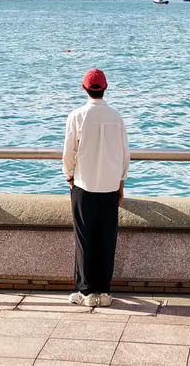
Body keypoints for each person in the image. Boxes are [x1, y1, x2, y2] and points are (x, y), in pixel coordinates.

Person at [62, 68, 130, 307]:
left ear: (84, 88)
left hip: (83, 185)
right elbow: (124, 155)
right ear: (105, 88)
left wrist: (69, 176)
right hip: (110, 187)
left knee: (84, 239)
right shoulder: (116, 117)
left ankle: (86, 292)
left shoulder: (77, 116)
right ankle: (104, 292)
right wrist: (121, 182)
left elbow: (69, 151)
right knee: (107, 239)